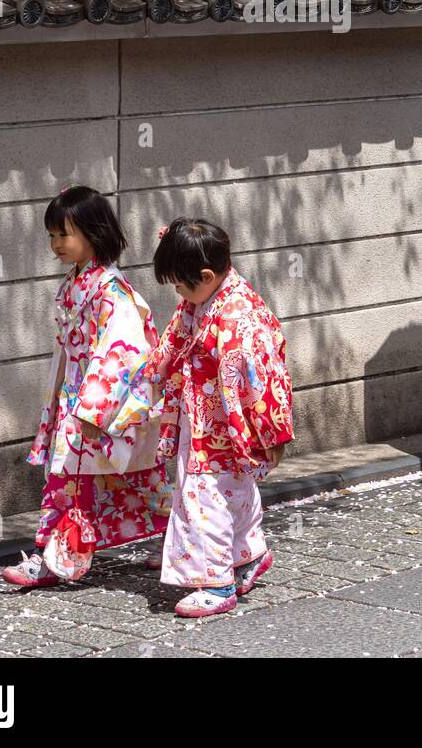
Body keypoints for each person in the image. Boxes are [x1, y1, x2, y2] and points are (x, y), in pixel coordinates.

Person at [2, 185, 170, 588]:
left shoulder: (112, 293)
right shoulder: (79, 282)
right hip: (77, 395)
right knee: (123, 477)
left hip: (97, 401)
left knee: (73, 478)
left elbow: (122, 352)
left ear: (94, 233)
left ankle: (53, 560)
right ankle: (174, 542)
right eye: (52, 235)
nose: (56, 243)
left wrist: (94, 409)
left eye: (64, 234)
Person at [145, 218, 293, 618]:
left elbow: (263, 380)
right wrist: (152, 373)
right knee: (232, 493)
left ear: (206, 275)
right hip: (208, 419)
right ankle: (247, 555)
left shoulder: (239, 319)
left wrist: (272, 434)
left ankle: (216, 581)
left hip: (226, 424)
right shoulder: (203, 301)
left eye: (181, 284)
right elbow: (176, 336)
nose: (178, 293)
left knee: (204, 499)